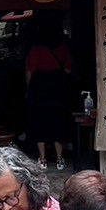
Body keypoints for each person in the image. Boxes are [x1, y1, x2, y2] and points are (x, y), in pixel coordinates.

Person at [26, 30, 73, 170]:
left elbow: (29, 72)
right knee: (58, 125)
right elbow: (69, 70)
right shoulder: (63, 49)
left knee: (40, 125)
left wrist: (28, 90)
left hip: (39, 92)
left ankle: (42, 160)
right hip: (58, 92)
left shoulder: (35, 50)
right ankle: (59, 160)